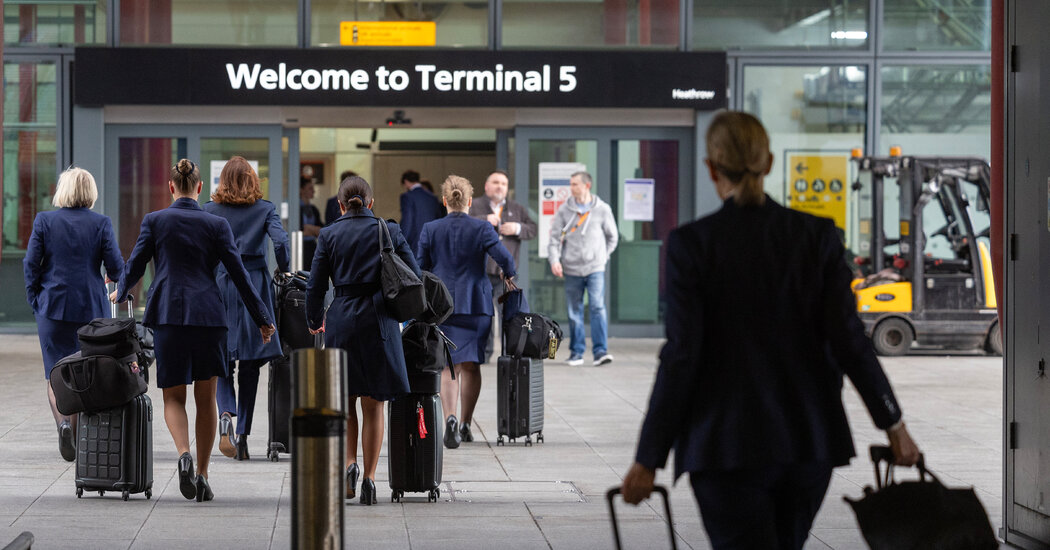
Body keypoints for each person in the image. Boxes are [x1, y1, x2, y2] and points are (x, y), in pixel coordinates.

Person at [619, 111, 921, 550]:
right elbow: (849, 340)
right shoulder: (816, 237)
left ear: (711, 168)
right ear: (770, 163)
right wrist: (893, 423)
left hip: (724, 446)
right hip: (807, 441)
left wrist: (649, 458)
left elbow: (683, 356)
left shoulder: (693, 244)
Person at [112, 159, 276, 502]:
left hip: (168, 315)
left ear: (171, 187)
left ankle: (183, 453)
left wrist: (121, 290)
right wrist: (262, 318)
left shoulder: (155, 221)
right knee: (206, 398)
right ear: (200, 188)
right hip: (209, 317)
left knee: (173, 397)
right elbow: (240, 275)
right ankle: (202, 474)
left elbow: (136, 264)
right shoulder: (216, 224)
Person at [305, 175, 420, 505]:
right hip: (379, 321)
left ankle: (349, 465)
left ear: (341, 206)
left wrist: (314, 320)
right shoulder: (389, 230)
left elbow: (315, 286)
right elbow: (413, 274)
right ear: (370, 203)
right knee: (374, 404)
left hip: (341, 320)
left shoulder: (329, 234)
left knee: (345, 402)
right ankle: (370, 479)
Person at [23, 167, 124, 462]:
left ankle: (63, 424)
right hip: (90, 310)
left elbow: (31, 263)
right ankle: (77, 436)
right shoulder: (101, 223)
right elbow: (116, 268)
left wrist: (35, 300)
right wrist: (113, 277)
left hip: (52, 307)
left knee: (55, 373)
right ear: (90, 192)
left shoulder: (44, 221)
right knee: (84, 374)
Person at [417, 175, 516, 449]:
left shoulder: (430, 229)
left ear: (444, 200)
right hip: (477, 305)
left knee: (449, 365)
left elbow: (419, 267)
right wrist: (508, 274)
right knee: (472, 364)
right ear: (470, 201)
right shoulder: (483, 228)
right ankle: (465, 423)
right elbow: (506, 260)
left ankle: (449, 417)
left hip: (442, 306)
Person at [203, 156, 290, 461]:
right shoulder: (265, 209)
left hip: (221, 282)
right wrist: (284, 267)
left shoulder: (209, 210)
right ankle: (242, 436)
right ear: (253, 180)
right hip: (254, 284)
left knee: (222, 360)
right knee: (251, 365)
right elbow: (280, 242)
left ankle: (226, 414)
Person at [548, 171, 618, 366]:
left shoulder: (603, 209)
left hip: (595, 268)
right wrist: (555, 261)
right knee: (574, 311)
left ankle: (600, 352)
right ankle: (577, 353)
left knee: (597, 307)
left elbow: (613, 237)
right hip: (571, 268)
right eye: (571, 184)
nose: (571, 188)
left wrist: (602, 257)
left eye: (575, 184)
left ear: (587, 185)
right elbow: (554, 239)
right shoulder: (564, 210)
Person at [468, 170, 537, 362]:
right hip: (480, 272)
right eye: (496, 182)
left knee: (509, 316)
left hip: (506, 275)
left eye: (504, 184)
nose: (500, 187)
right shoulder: (474, 206)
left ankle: (509, 354)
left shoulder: (517, 208)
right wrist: (484, 219)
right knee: (483, 315)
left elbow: (533, 229)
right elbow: (462, 222)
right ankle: (484, 353)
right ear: (486, 186)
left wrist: (518, 228)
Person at [399, 169, 444, 252]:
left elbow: (407, 221)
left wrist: (400, 242)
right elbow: (439, 219)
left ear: (406, 182)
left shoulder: (407, 197)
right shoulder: (433, 197)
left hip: (415, 243)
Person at [300, 179, 322, 267]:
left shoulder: (314, 209)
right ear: (301, 190)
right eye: (310, 188)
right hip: (299, 246)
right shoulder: (295, 208)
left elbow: (321, 230)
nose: (313, 191)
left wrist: (308, 229)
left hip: (312, 247)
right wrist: (314, 230)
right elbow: (299, 229)